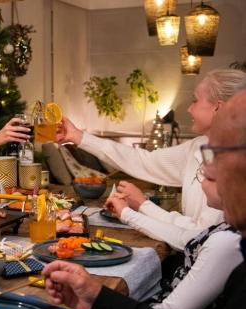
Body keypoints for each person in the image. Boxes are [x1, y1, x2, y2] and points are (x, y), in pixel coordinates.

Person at [42, 89, 246, 309]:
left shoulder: (229, 243)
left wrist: (133, 212)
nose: (206, 170)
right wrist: (95, 297)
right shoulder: (235, 247)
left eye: (216, 154)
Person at [57, 69, 246, 250]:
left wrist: (134, 210)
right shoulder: (197, 146)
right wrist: (78, 136)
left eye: (195, 101)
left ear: (218, 107)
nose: (188, 108)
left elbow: (197, 237)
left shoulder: (236, 164)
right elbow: (143, 161)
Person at [96, 167, 241, 309]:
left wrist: (95, 299)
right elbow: (184, 235)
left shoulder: (227, 242)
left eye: (209, 177)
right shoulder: (229, 229)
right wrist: (130, 212)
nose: (201, 181)